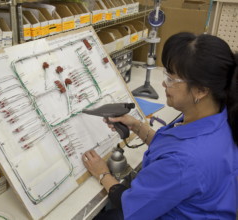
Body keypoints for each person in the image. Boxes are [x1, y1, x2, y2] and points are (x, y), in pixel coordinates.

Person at [82, 32, 238, 219]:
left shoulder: (184, 162)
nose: (164, 83)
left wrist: (102, 174)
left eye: (172, 79)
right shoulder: (215, 117)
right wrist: (137, 126)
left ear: (201, 90)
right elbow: (173, 146)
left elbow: (133, 205)